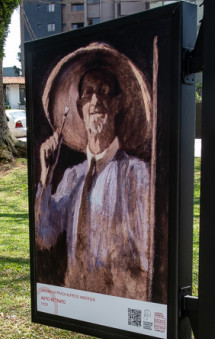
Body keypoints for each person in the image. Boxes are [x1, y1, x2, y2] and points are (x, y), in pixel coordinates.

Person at [34, 43, 154, 302]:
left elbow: (148, 258)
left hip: (119, 304)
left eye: (104, 92)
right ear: (80, 107)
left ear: (118, 104)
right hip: (78, 301)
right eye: (88, 94)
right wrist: (46, 176)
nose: (95, 101)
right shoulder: (72, 177)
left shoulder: (138, 175)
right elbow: (44, 236)